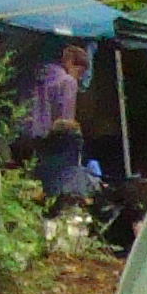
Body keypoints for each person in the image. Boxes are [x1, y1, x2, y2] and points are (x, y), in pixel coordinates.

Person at [27, 43, 94, 205]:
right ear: (71, 63)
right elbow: (65, 121)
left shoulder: (40, 76)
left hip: (33, 134)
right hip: (55, 141)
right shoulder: (68, 81)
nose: (79, 78)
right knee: (60, 182)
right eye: (80, 72)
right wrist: (76, 128)